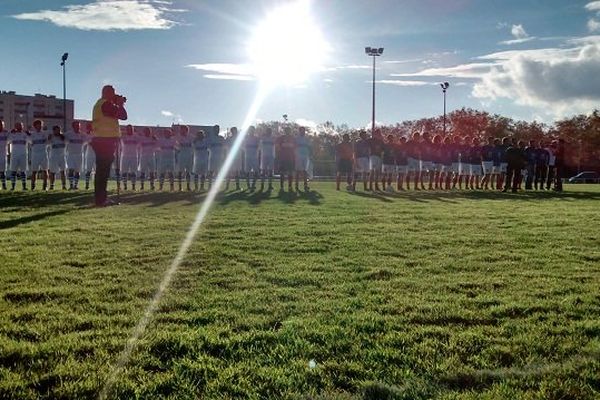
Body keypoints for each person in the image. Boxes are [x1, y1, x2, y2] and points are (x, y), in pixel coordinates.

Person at [91, 85, 127, 206]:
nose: (114, 95)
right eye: (113, 93)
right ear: (108, 93)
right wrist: (120, 104)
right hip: (105, 140)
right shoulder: (106, 104)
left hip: (101, 139)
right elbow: (123, 116)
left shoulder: (99, 103)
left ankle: (101, 199)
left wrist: (116, 102)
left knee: (102, 171)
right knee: (103, 171)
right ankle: (101, 200)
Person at [7, 122, 29, 191]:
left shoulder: (25, 134)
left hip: (23, 155)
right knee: (13, 171)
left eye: (20, 126)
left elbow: (32, 141)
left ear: (22, 126)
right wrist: (10, 132)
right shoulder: (12, 134)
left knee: (23, 171)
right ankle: (13, 187)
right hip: (14, 155)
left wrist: (29, 134)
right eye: (17, 126)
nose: (19, 127)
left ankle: (24, 187)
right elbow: (6, 141)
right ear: (15, 126)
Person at [64, 121, 86, 190]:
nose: (78, 127)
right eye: (76, 126)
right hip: (70, 155)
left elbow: (90, 138)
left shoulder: (82, 135)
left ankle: (75, 186)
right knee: (71, 170)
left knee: (77, 171)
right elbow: (60, 135)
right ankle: (71, 185)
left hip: (79, 155)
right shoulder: (68, 134)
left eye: (79, 126)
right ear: (73, 126)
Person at [29, 119, 50, 191]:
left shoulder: (45, 133)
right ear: (35, 126)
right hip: (35, 154)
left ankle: (45, 186)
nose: (40, 126)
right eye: (38, 125)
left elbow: (52, 136)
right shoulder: (31, 134)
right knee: (34, 171)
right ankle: (33, 186)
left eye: (41, 125)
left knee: (45, 170)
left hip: (44, 153)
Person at [119, 125, 139, 191]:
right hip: (125, 156)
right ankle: (125, 186)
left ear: (133, 129)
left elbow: (145, 138)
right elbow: (116, 135)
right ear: (126, 130)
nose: (130, 130)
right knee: (124, 172)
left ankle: (133, 186)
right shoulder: (123, 136)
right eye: (128, 129)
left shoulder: (136, 137)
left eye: (131, 129)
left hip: (134, 156)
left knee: (133, 172)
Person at [276, 126, 296, 191]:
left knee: (290, 172)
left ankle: (290, 186)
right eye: (286, 130)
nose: (287, 132)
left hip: (290, 157)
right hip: (283, 157)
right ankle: (282, 187)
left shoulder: (293, 138)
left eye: (289, 130)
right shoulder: (281, 138)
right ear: (285, 131)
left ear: (290, 131)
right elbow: (278, 147)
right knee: (282, 173)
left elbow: (295, 147)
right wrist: (279, 155)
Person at [48, 126, 67, 190]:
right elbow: (46, 143)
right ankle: (51, 186)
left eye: (59, 130)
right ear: (53, 131)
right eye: (56, 130)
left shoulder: (63, 137)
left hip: (62, 157)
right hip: (53, 157)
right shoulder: (51, 137)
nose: (58, 131)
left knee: (63, 172)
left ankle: (64, 186)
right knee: (52, 172)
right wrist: (49, 138)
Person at [176, 125, 193, 191]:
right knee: (180, 172)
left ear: (187, 130)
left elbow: (194, 144)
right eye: (181, 129)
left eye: (182, 129)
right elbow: (175, 146)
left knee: (188, 172)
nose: (181, 130)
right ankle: (180, 187)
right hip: (181, 156)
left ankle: (188, 186)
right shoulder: (178, 137)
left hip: (189, 156)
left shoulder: (191, 137)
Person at [225, 126, 243, 191]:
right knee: (229, 172)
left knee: (237, 172)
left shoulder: (239, 139)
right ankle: (227, 186)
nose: (234, 132)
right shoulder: (228, 139)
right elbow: (225, 147)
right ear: (231, 131)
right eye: (233, 131)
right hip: (230, 158)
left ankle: (237, 186)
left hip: (237, 157)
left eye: (235, 131)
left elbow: (242, 147)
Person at [207, 125, 225, 189]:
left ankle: (216, 186)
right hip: (212, 157)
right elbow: (207, 148)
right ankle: (209, 186)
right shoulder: (210, 138)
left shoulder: (221, 138)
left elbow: (224, 148)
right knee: (211, 172)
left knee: (218, 172)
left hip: (220, 158)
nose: (217, 130)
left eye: (218, 129)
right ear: (213, 130)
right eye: (216, 129)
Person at [295, 126, 311, 192]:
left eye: (304, 130)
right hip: (298, 156)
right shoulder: (296, 138)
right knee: (298, 171)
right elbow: (294, 147)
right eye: (301, 130)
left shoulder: (307, 138)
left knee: (305, 171)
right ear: (299, 131)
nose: (303, 131)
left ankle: (305, 185)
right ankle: (296, 185)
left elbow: (310, 147)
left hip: (306, 156)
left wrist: (310, 155)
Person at [243, 126, 260, 191]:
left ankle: (253, 185)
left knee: (256, 172)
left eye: (252, 130)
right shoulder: (246, 138)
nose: (251, 131)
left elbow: (258, 147)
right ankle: (248, 186)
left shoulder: (256, 138)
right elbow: (243, 147)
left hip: (254, 158)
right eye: (250, 130)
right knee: (247, 172)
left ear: (254, 130)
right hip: (247, 157)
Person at [259, 127, 275, 191]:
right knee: (263, 171)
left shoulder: (273, 138)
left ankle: (270, 185)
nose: (269, 132)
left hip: (271, 156)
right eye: (268, 131)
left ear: (271, 132)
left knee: (270, 171)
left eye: (270, 131)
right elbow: (260, 147)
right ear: (266, 131)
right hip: (264, 156)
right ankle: (262, 185)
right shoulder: (263, 138)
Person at [83, 122, 96, 191]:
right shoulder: (86, 135)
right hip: (89, 155)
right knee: (88, 171)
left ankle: (96, 185)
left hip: (97, 155)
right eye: (88, 127)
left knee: (97, 171)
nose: (90, 128)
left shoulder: (97, 134)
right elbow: (85, 143)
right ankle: (87, 185)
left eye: (91, 126)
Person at [0, 120, 8, 190]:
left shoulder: (6, 133)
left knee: (3, 171)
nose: (1, 126)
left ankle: (4, 185)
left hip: (3, 155)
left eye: (2, 125)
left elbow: (13, 133)